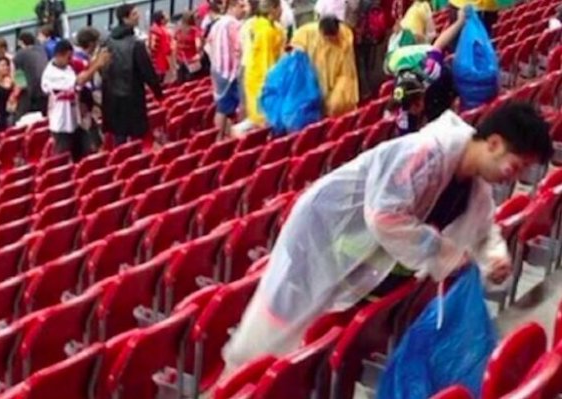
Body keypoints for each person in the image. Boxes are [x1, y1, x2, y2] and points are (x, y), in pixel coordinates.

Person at [222, 101, 553, 373]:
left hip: (363, 254)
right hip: (322, 234)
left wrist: (494, 257)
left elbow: (483, 230)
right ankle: (240, 378)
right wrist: (445, 253)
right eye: (517, 164)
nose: (518, 175)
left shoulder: (474, 184)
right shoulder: (426, 153)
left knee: (318, 336)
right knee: (280, 320)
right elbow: (385, 216)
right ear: (493, 143)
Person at [386, 7, 464, 121]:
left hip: (423, 57)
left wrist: (460, 22)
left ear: (421, 100)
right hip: (397, 59)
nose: (413, 112)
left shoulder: (431, 70)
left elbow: (439, 44)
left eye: (414, 109)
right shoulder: (399, 92)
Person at [101, 4, 163, 146]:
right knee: (135, 136)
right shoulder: (136, 45)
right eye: (134, 14)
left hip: (112, 97)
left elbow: (102, 68)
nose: (138, 16)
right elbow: (148, 73)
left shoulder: (108, 41)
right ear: (125, 18)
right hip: (132, 97)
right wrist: (158, 94)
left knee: (119, 135)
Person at [41, 40, 109, 160]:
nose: (70, 59)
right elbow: (79, 81)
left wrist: (96, 61)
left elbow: (81, 81)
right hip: (61, 125)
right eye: (68, 57)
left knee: (84, 154)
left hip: (75, 121)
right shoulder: (51, 74)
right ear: (58, 55)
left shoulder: (67, 68)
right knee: (61, 159)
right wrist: (98, 64)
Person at [291, 15, 359, 117]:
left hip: (337, 78)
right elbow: (296, 45)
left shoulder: (345, 39)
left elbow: (346, 72)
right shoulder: (308, 33)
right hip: (317, 77)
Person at [242, 0, 284, 128]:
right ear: (273, 9)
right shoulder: (265, 30)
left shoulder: (269, 26)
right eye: (280, 7)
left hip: (259, 75)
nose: (282, 10)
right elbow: (266, 61)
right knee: (262, 119)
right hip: (261, 80)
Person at [207, 0, 246, 137]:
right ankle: (230, 139)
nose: (244, 10)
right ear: (232, 6)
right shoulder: (235, 25)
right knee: (236, 107)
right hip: (231, 73)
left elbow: (209, 45)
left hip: (218, 71)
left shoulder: (217, 24)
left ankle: (219, 139)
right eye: (241, 6)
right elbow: (239, 48)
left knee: (222, 107)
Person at [72, 27, 102, 152]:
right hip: (83, 104)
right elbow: (80, 84)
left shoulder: (81, 58)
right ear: (91, 44)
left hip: (85, 104)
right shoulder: (80, 60)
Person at [14, 32, 49, 118]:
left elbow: (19, 81)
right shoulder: (41, 50)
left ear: (21, 42)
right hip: (45, 91)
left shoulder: (20, 55)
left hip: (32, 95)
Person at [387, 72, 425, 136]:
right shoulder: (407, 128)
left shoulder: (399, 97)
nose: (423, 105)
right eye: (419, 103)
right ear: (412, 106)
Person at [175, 12, 204, 83]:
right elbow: (198, 45)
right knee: (195, 83)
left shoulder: (178, 31)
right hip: (193, 62)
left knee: (182, 82)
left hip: (181, 61)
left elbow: (174, 45)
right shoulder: (195, 31)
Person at [149, 10, 173, 83]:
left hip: (160, 61)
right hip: (160, 62)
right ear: (161, 20)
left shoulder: (157, 29)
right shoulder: (159, 31)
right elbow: (153, 46)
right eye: (166, 16)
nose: (168, 17)